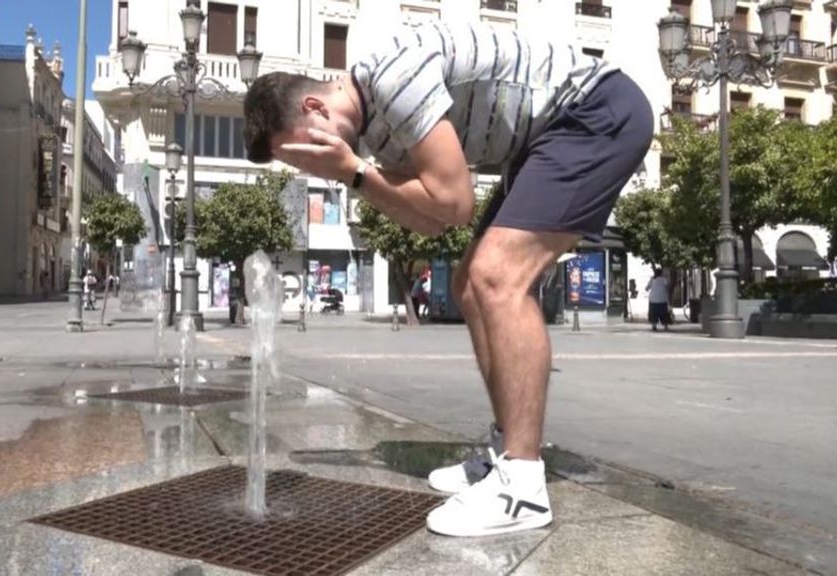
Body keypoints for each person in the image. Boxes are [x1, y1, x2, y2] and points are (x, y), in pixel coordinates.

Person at [244, 19, 653, 537]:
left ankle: (523, 487)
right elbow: (432, 219)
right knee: (468, 283)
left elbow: (455, 203)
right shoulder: (378, 139)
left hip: (596, 109)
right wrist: (359, 174)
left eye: (300, 151)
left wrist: (353, 174)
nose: (308, 168)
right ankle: (506, 453)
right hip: (544, 140)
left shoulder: (391, 78)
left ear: (315, 109)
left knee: (496, 277)